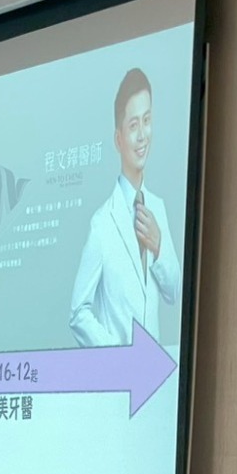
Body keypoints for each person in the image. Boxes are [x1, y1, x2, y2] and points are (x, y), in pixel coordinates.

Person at [68, 68, 182, 347]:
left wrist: (159, 246)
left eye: (147, 120)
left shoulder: (157, 208)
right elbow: (78, 312)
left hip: (158, 371)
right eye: (133, 126)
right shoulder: (102, 223)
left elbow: (175, 292)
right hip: (119, 371)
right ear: (118, 139)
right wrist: (116, 358)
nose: (142, 135)